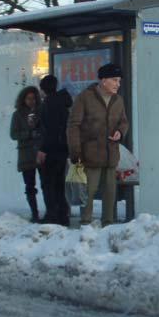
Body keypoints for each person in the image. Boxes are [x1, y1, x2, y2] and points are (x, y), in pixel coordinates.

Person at [67, 62, 129, 226]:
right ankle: (86, 224)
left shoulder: (118, 100)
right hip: (90, 154)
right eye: (115, 80)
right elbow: (74, 125)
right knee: (89, 191)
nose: (118, 84)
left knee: (110, 192)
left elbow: (124, 122)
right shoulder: (85, 98)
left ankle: (108, 224)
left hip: (111, 155)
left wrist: (120, 132)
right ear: (103, 80)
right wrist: (76, 152)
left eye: (119, 81)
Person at [35, 75, 73, 226]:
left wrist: (42, 149)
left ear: (43, 89)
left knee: (48, 184)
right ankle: (63, 215)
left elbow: (48, 130)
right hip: (62, 150)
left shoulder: (48, 104)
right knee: (59, 184)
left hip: (50, 151)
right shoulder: (63, 103)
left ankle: (52, 215)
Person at [10, 86, 42, 222]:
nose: (31, 101)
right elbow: (13, 134)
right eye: (28, 98)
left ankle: (51, 211)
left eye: (34, 98)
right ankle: (34, 213)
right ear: (23, 99)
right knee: (30, 185)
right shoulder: (17, 115)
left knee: (46, 183)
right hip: (26, 153)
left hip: (40, 152)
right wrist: (28, 133)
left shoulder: (40, 112)